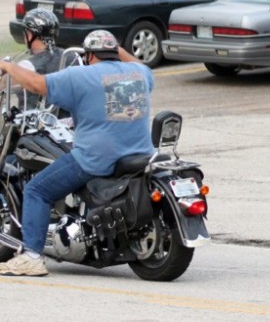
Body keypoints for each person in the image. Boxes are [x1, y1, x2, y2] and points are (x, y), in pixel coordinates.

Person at [0, 30, 155, 277]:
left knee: (36, 190)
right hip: (140, 155)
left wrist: (7, 65)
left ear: (90, 55)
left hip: (97, 159)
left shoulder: (81, 76)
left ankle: (31, 256)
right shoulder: (140, 74)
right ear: (115, 53)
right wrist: (115, 47)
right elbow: (136, 64)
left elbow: (36, 84)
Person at [7, 8, 65, 109]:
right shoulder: (70, 55)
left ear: (29, 35)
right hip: (68, 120)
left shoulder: (27, 65)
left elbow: (4, 85)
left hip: (36, 121)